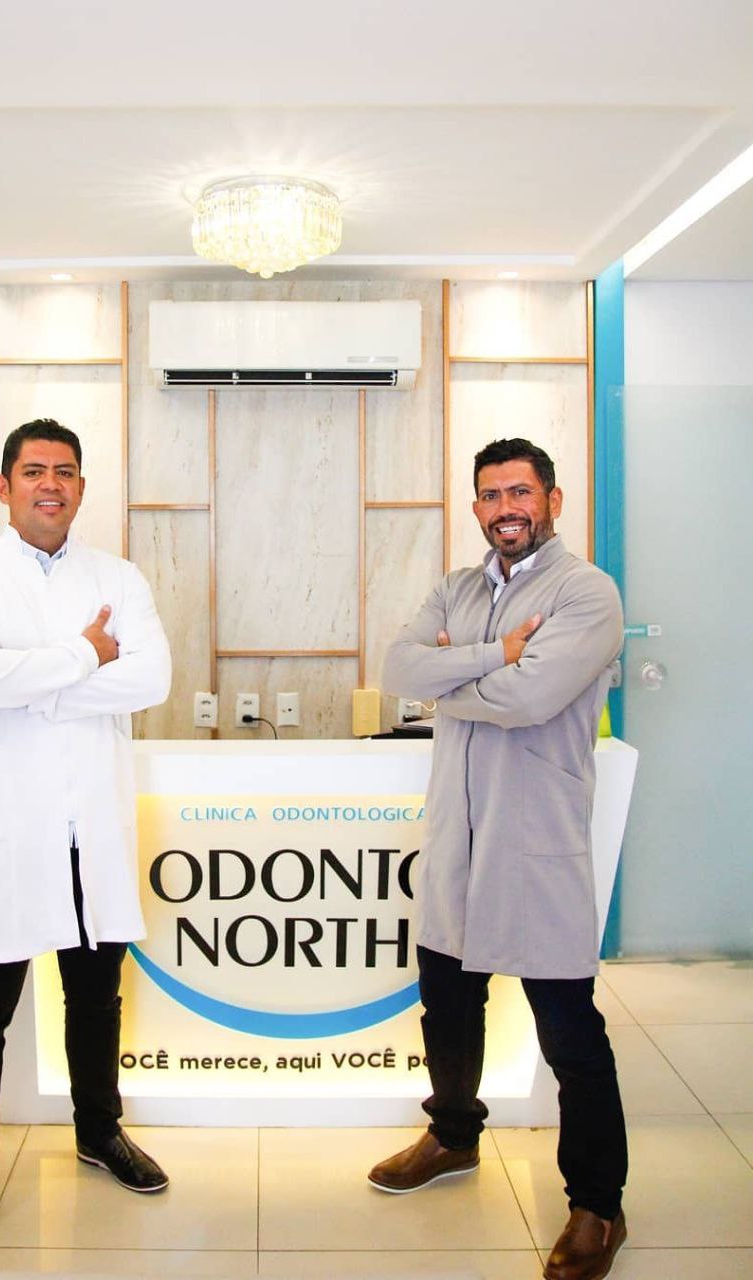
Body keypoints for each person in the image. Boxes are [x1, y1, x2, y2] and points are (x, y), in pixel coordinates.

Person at [369, 439, 627, 1280]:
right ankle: (452, 1136)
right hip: (457, 837)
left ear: (552, 499)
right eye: (490, 494)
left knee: (569, 1032)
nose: (505, 507)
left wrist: (454, 682)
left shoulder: (586, 592)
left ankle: (597, 1204)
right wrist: (494, 654)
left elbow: (531, 698)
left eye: (521, 491)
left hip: (535, 842)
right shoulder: (458, 587)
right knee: (447, 1004)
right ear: (476, 506)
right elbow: (399, 667)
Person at [0, 419, 172, 1277]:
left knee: (96, 999)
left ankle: (99, 1131)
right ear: (4, 487)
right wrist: (85, 656)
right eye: (34, 471)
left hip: (89, 827)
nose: (51, 485)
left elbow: (151, 677)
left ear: (81, 488)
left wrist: (42, 685)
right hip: (8, 828)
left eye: (65, 471)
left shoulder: (118, 577)